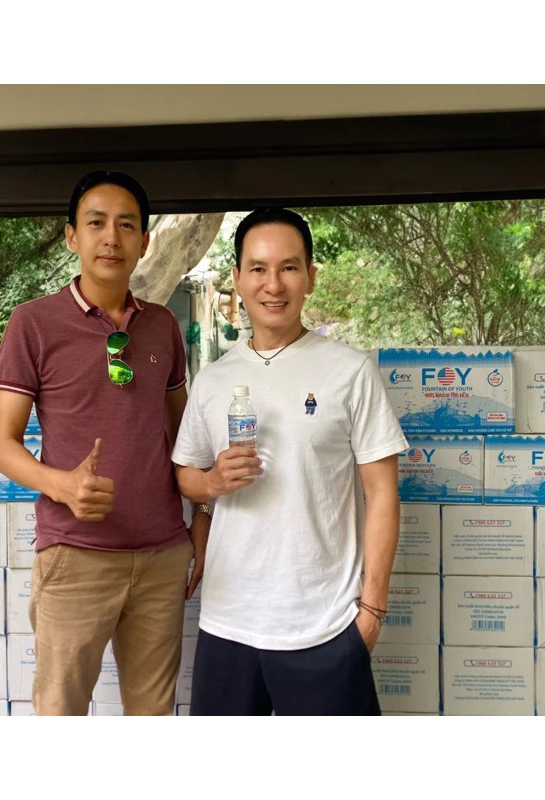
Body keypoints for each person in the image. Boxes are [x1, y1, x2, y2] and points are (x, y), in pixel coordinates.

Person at [0, 170, 210, 716]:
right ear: (72, 236)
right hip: (75, 554)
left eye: (126, 225)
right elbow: (1, 444)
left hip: (161, 556)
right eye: (96, 223)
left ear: (145, 241)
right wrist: (60, 485)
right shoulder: (33, 323)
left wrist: (202, 514)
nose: (112, 237)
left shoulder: (162, 327)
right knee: (60, 713)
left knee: (152, 716)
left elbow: (184, 438)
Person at [172, 207, 408, 715]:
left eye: (289, 267)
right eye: (258, 268)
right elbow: (186, 475)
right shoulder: (213, 380)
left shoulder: (350, 372)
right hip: (228, 622)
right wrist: (212, 483)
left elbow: (382, 493)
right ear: (237, 279)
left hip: (325, 624)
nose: (273, 284)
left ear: (310, 278)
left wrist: (371, 611)